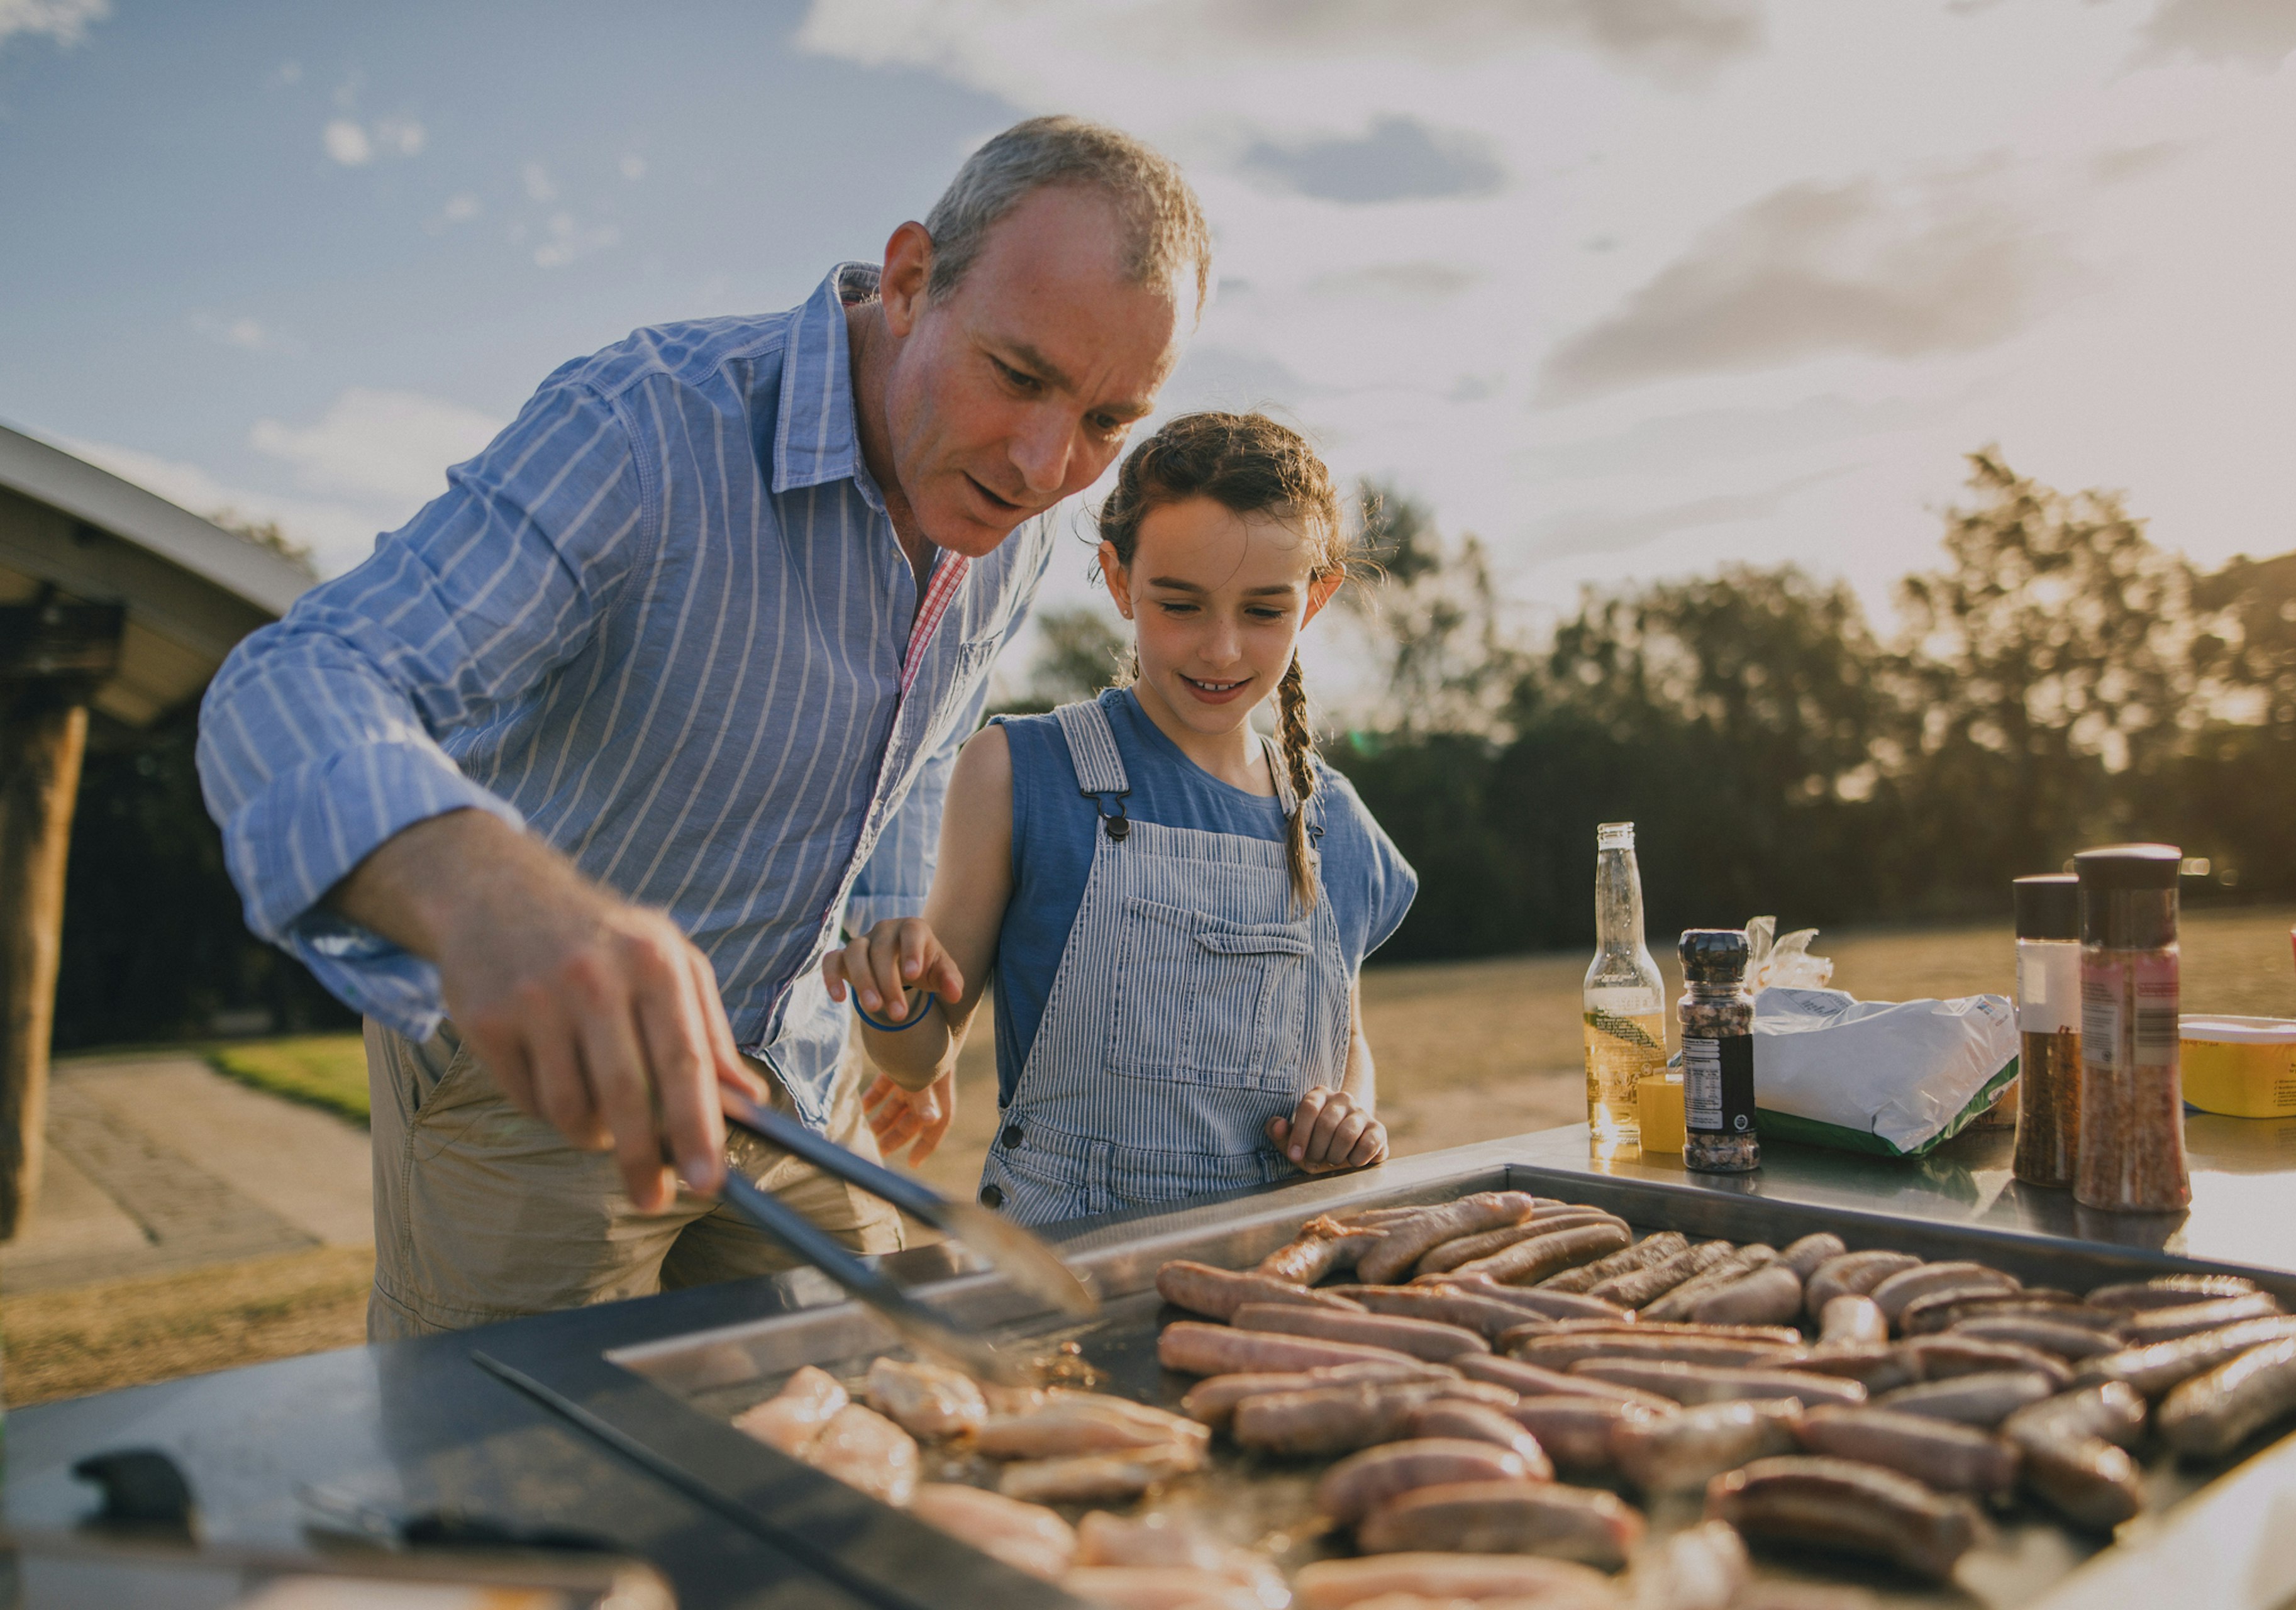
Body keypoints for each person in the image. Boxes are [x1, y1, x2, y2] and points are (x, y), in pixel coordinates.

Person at [196, 117, 1210, 1336]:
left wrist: (890, 930)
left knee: (888, 1412)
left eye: (1109, 421)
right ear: (907, 280)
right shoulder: (643, 427)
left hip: (799, 1078)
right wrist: (484, 892)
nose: (1047, 461)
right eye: (1021, 374)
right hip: (543, 1093)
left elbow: (925, 738)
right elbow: (292, 678)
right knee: (537, 1498)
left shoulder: (1021, 511)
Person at [820, 412, 1417, 1223]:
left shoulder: (1332, 822)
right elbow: (923, 1059)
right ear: (1117, 578)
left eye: (1264, 612)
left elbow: (1346, 1042)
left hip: (1280, 1265)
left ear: (1316, 598)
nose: (1221, 650)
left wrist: (1351, 1113)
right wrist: (893, 998)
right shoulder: (1016, 772)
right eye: (1181, 605)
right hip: (1070, 1267)